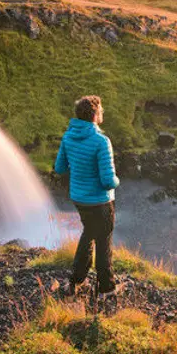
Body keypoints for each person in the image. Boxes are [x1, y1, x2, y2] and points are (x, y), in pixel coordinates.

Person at [54, 94, 121, 295]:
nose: (102, 113)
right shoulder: (101, 141)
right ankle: (107, 288)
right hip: (100, 201)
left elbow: (59, 168)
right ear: (94, 114)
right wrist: (118, 181)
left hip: (79, 198)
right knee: (103, 242)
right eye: (101, 110)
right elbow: (108, 181)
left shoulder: (68, 137)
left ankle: (76, 279)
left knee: (89, 233)